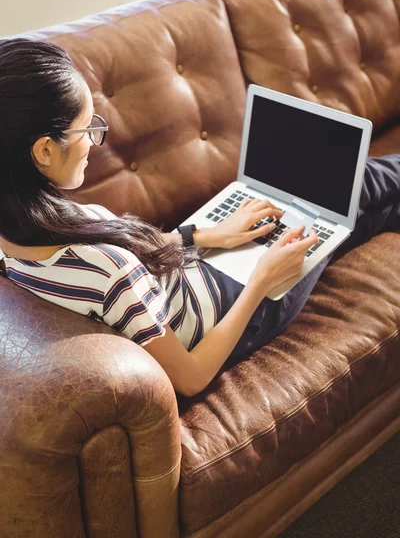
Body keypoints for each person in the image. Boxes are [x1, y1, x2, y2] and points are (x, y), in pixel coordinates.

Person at [0, 39, 399, 397]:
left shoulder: (17, 235)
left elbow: (133, 269)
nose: (93, 142)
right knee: (349, 188)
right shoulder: (107, 270)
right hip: (237, 309)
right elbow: (190, 377)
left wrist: (206, 235)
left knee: (352, 213)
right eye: (86, 129)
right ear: (45, 151)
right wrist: (262, 279)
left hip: (194, 270)